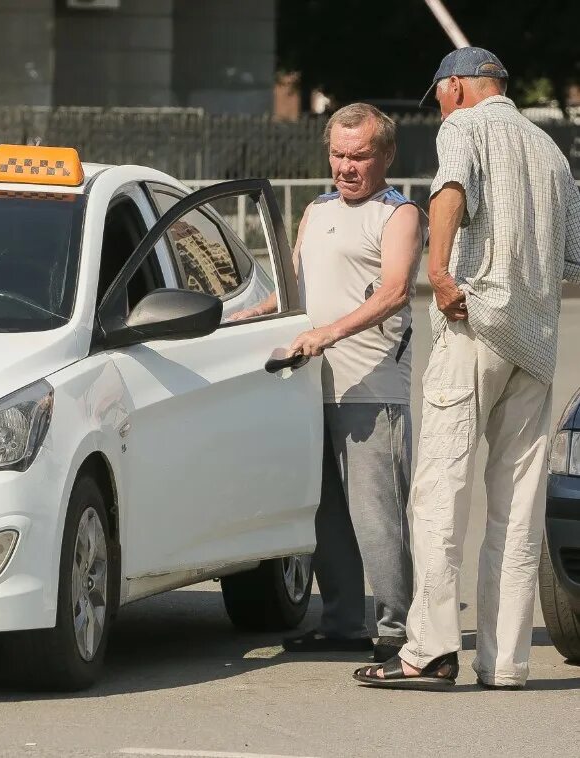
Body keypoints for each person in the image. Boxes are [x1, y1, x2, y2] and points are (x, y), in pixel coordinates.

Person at [354, 46, 580, 691]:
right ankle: (506, 662)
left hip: (473, 321)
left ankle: (429, 651)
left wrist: (441, 268)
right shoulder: (550, 150)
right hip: (535, 342)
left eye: (442, 95)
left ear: (457, 88)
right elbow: (575, 254)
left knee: (441, 490)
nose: (441, 107)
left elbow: (449, 190)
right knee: (518, 504)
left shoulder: (464, 128)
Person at [232, 102, 424, 663]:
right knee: (324, 513)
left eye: (359, 155)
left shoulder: (398, 214)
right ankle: (342, 622)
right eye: (338, 154)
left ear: (386, 155)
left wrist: (327, 334)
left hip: (372, 389)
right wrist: (246, 318)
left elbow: (393, 292)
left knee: (377, 515)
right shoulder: (316, 211)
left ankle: (397, 628)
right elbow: (295, 292)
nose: (346, 166)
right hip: (307, 387)